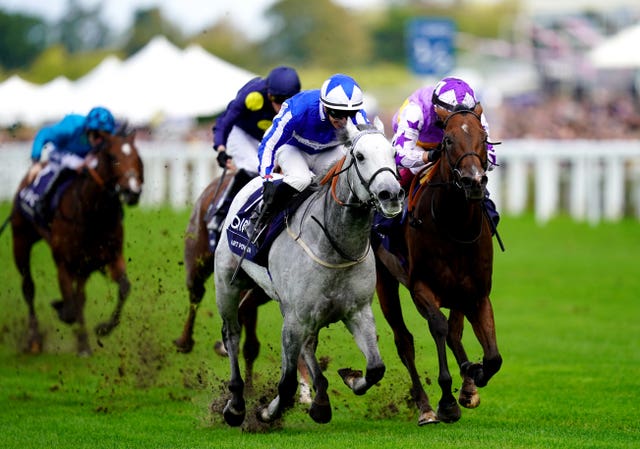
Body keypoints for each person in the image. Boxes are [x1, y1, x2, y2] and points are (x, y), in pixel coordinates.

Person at [256, 73, 369, 228]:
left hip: (328, 150)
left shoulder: (358, 116)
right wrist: (267, 178)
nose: (344, 121)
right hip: (293, 148)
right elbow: (269, 143)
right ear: (325, 106)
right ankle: (263, 217)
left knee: (346, 181)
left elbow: (370, 145)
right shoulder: (298, 109)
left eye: (349, 115)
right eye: (337, 113)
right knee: (301, 180)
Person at [207, 66, 301, 245]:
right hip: (242, 134)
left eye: (286, 101)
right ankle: (218, 217)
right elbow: (225, 121)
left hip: (267, 139)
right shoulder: (253, 95)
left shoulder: (299, 103)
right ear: (268, 94)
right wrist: (220, 148)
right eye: (276, 100)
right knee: (254, 167)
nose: (280, 107)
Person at [390, 76, 500, 228]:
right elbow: (399, 155)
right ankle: (384, 224)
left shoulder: (473, 114)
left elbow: (492, 159)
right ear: (437, 108)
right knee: (397, 185)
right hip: (418, 145)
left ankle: (488, 218)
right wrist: (429, 156)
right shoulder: (415, 110)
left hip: (454, 146)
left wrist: (475, 167)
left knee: (472, 176)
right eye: (450, 118)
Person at [29, 106, 116, 221]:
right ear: (87, 130)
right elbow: (43, 134)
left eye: (104, 137)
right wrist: (36, 162)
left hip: (84, 156)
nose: (100, 141)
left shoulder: (99, 140)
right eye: (97, 136)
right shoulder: (70, 128)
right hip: (59, 151)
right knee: (74, 163)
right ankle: (42, 202)